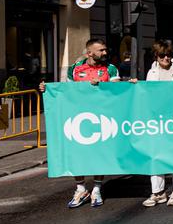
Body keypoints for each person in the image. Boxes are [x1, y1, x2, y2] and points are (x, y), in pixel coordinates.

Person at [39, 38, 120, 208]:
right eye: (101, 50)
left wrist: (102, 87)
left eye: (105, 50)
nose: (105, 53)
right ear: (90, 53)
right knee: (77, 153)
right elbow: (66, 91)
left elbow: (118, 92)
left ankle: (97, 188)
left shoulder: (110, 69)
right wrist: (47, 90)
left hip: (102, 118)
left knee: (100, 154)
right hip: (78, 118)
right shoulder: (75, 69)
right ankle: (81, 189)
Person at [142, 45, 173, 207]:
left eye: (168, 55)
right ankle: (158, 192)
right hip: (157, 117)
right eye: (162, 56)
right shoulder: (151, 72)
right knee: (156, 154)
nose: (166, 59)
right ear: (156, 56)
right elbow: (148, 93)